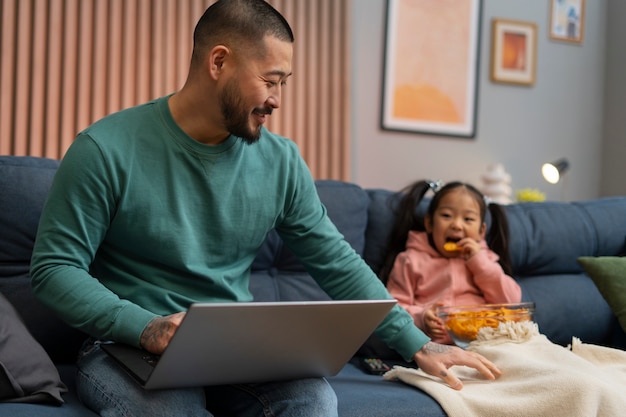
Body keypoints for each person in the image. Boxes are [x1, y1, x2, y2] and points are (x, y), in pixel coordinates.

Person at [30, 1, 501, 416]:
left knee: (314, 401)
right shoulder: (105, 147)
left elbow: (337, 263)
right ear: (219, 61)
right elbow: (54, 269)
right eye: (270, 81)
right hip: (126, 345)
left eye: (283, 83)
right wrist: (147, 326)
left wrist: (419, 345)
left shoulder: (280, 161)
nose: (276, 99)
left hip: (236, 351)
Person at [381, 180, 522, 344]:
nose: (456, 225)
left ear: (481, 232)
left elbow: (512, 303)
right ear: (429, 223)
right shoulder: (410, 260)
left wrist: (480, 265)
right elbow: (393, 310)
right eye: (446, 215)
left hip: (487, 341)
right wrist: (421, 317)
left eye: (468, 219)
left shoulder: (485, 259)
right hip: (438, 351)